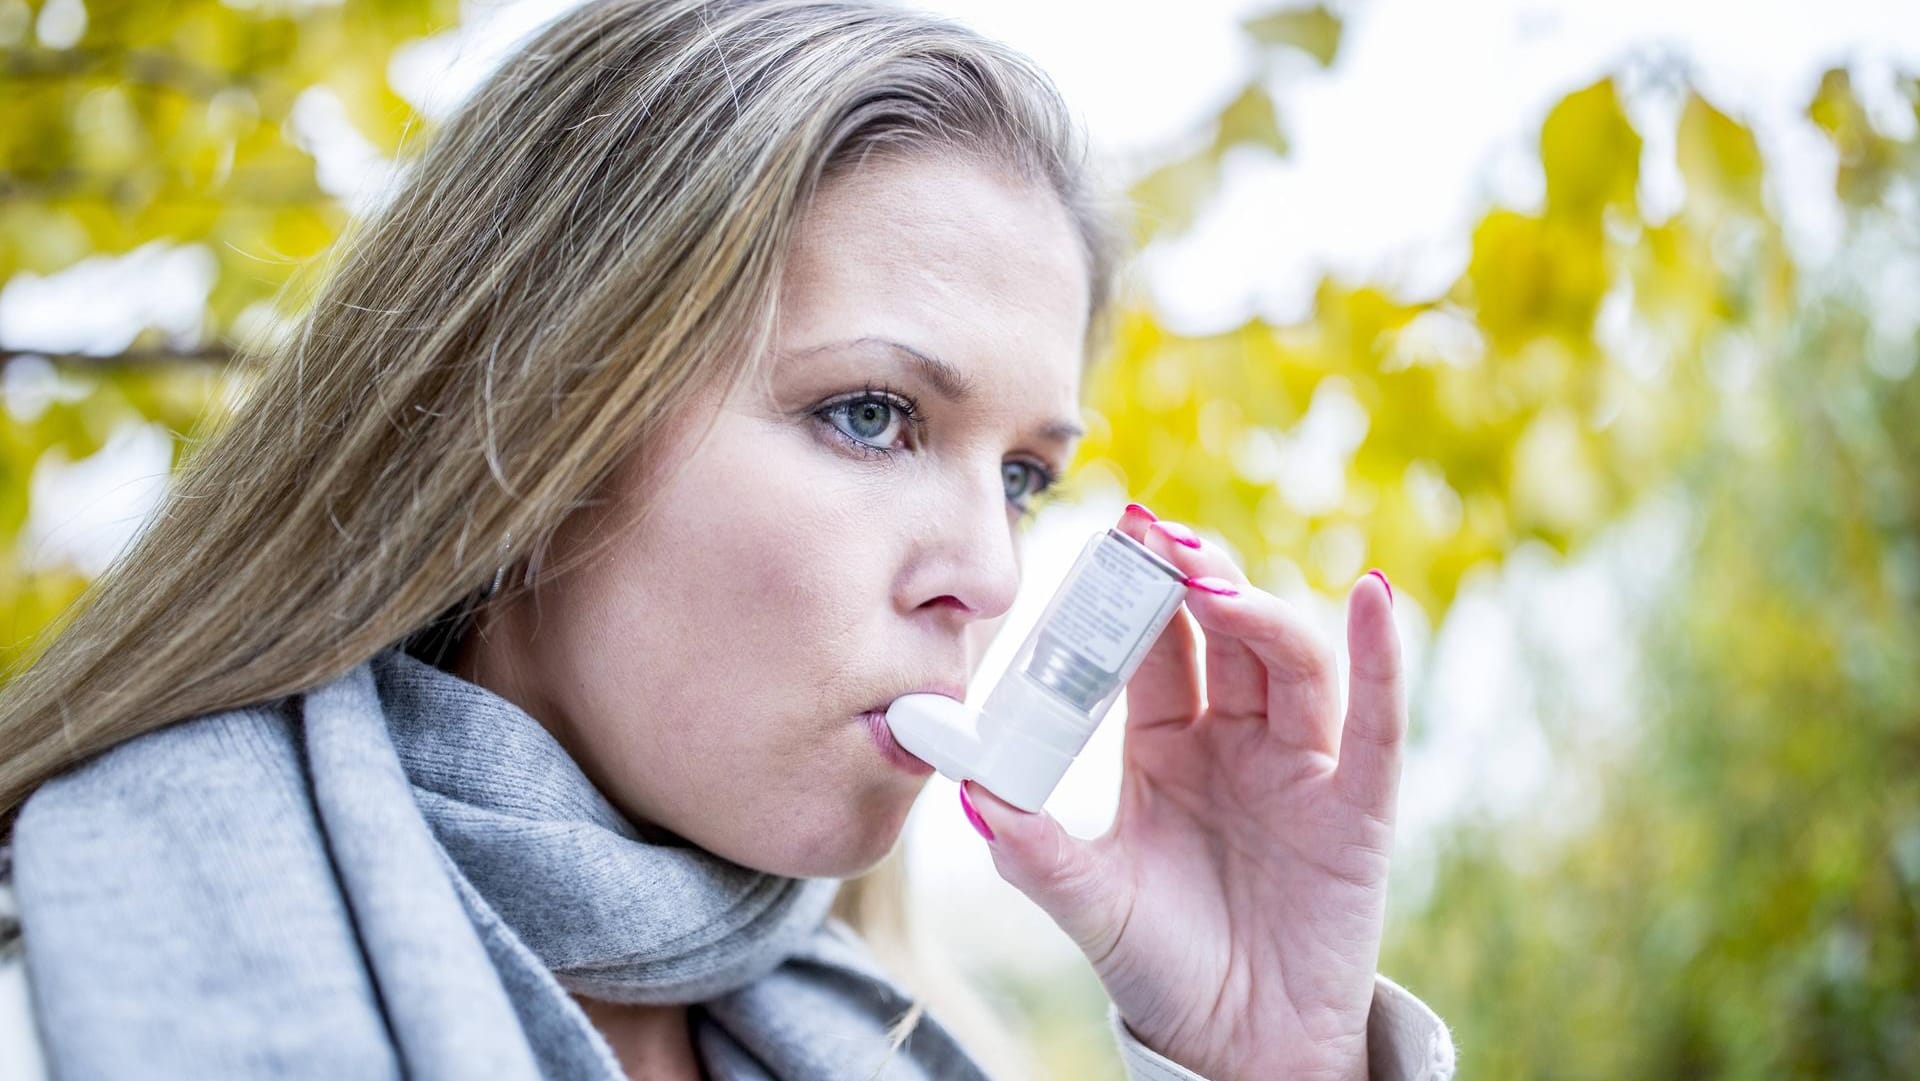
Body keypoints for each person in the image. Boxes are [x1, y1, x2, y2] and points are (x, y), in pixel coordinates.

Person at [0, 1, 1456, 1078]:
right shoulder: (54, 987)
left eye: (1021, 474)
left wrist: (1265, 1058)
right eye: (874, 416)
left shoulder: (912, 1042)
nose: (994, 575)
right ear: (538, 414)